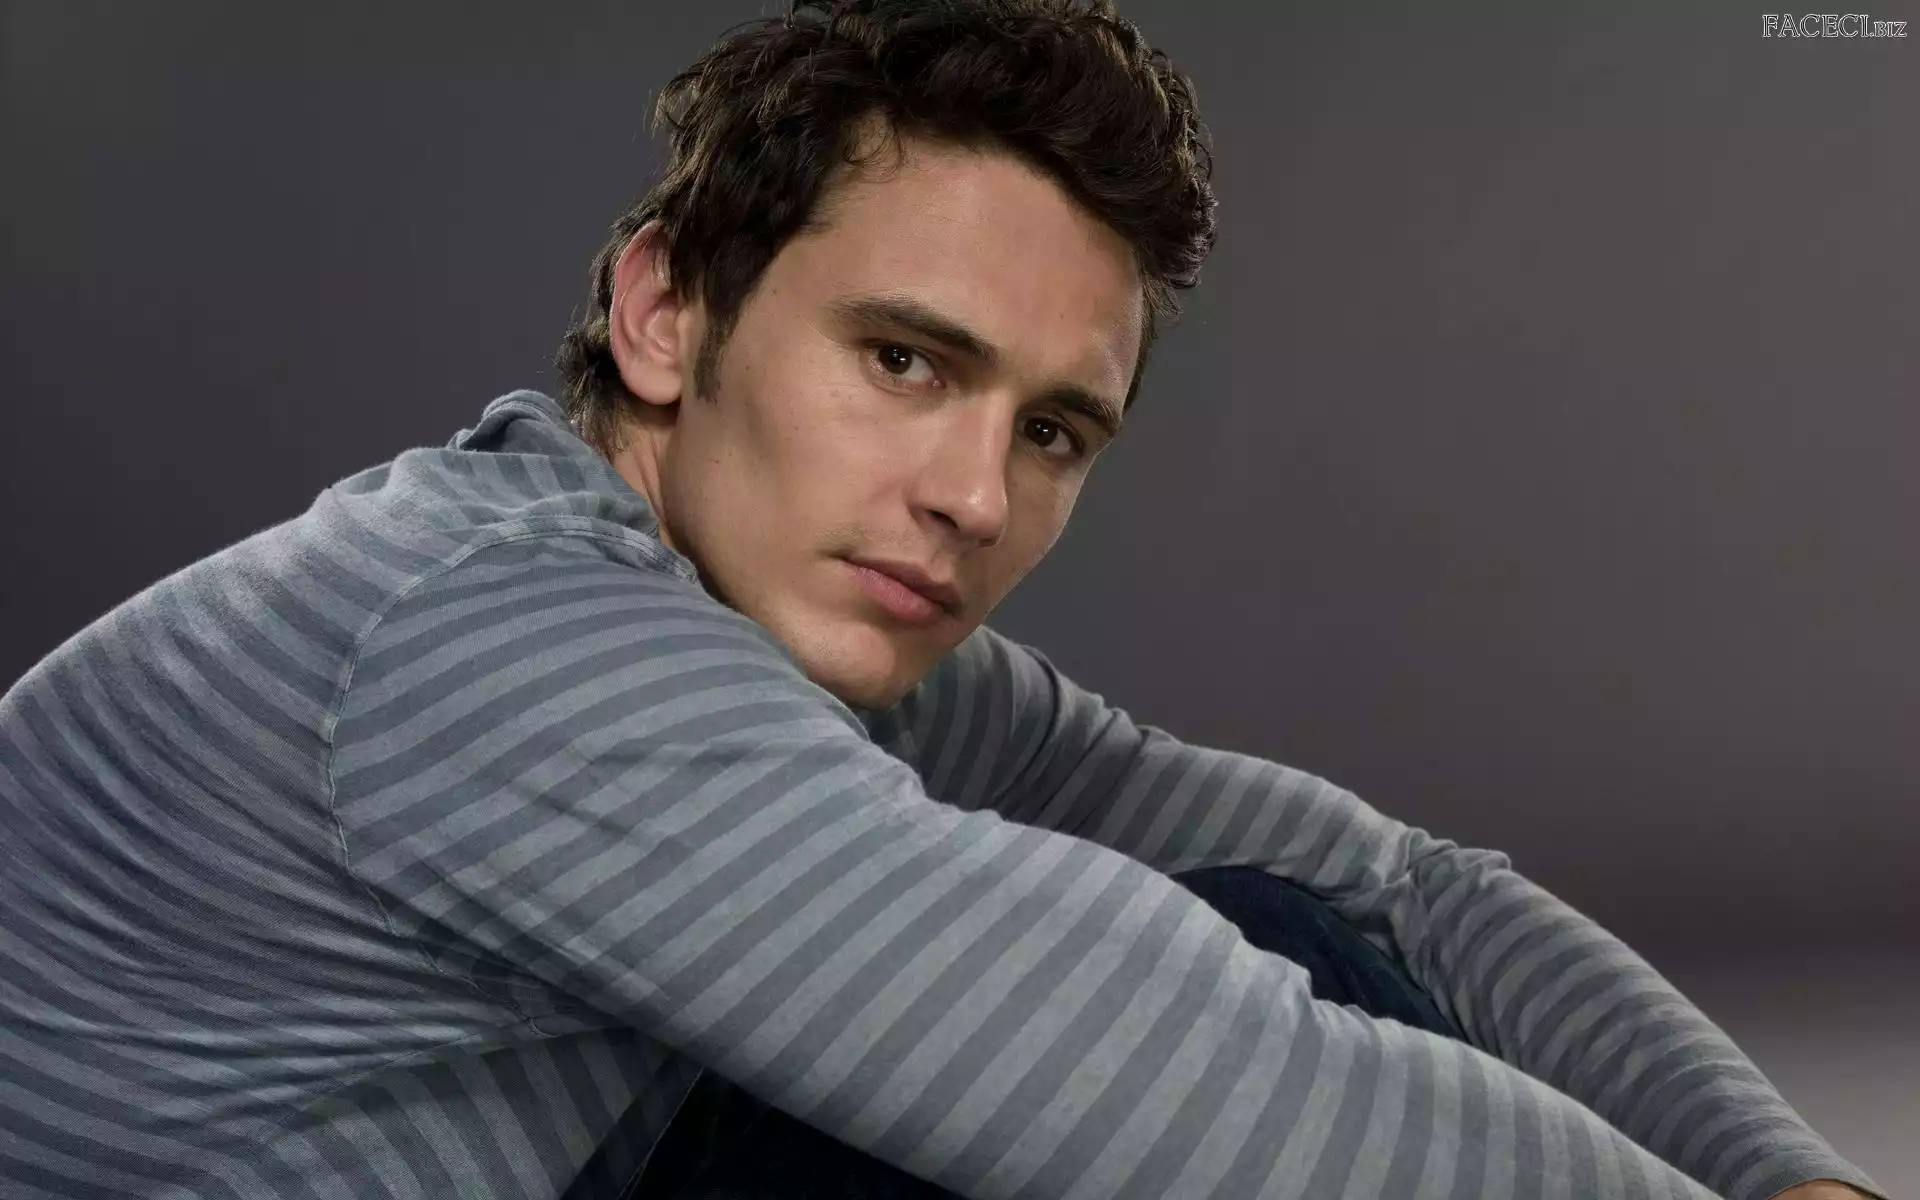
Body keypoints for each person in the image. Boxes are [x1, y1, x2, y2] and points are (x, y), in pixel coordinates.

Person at [0, 2, 1886, 1198]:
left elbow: (1400, 890)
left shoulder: (799, 631)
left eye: (1052, 430)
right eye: (905, 361)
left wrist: (1785, 1182)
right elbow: (1182, 1077)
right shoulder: (490, 637)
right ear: (664, 314)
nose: (975, 499)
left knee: (1268, 922)